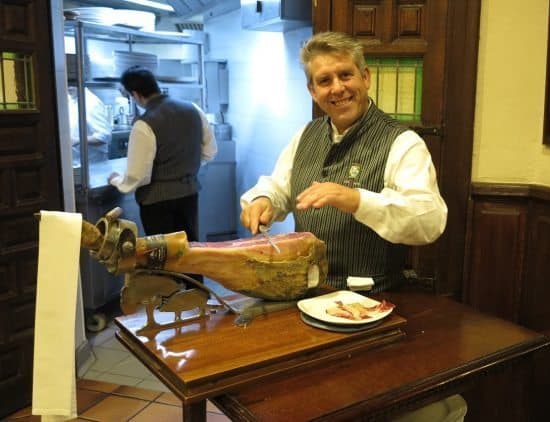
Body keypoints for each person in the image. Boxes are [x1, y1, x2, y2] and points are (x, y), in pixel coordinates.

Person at [239, 31, 448, 293]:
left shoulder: (403, 142)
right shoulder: (306, 134)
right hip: (305, 291)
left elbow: (429, 221)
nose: (337, 88)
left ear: (365, 77)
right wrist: (265, 200)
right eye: (325, 80)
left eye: (345, 75)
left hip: (371, 300)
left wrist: (356, 200)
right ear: (313, 91)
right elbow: (280, 187)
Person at [108, 65, 217, 247]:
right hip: (189, 195)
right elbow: (210, 151)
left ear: (135, 94)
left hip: (157, 203)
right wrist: (183, 167)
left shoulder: (144, 124)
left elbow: (138, 176)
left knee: (163, 258)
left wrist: (117, 180)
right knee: (190, 252)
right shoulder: (194, 110)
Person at [68, 86, 111, 166]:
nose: (68, 87)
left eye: (72, 83)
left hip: (93, 166)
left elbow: (104, 136)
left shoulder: (92, 103)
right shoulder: (70, 98)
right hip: (75, 164)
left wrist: (77, 140)